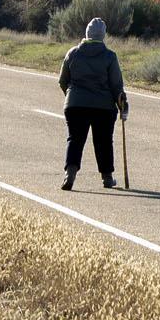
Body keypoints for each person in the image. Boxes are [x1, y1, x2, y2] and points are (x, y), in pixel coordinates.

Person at [58, 16, 128, 190]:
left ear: (87, 33)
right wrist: (122, 106)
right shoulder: (110, 56)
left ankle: (70, 174)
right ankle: (107, 177)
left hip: (75, 105)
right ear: (102, 35)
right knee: (104, 141)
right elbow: (116, 86)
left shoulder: (73, 53)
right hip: (103, 107)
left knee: (75, 139)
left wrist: (71, 95)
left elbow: (62, 80)